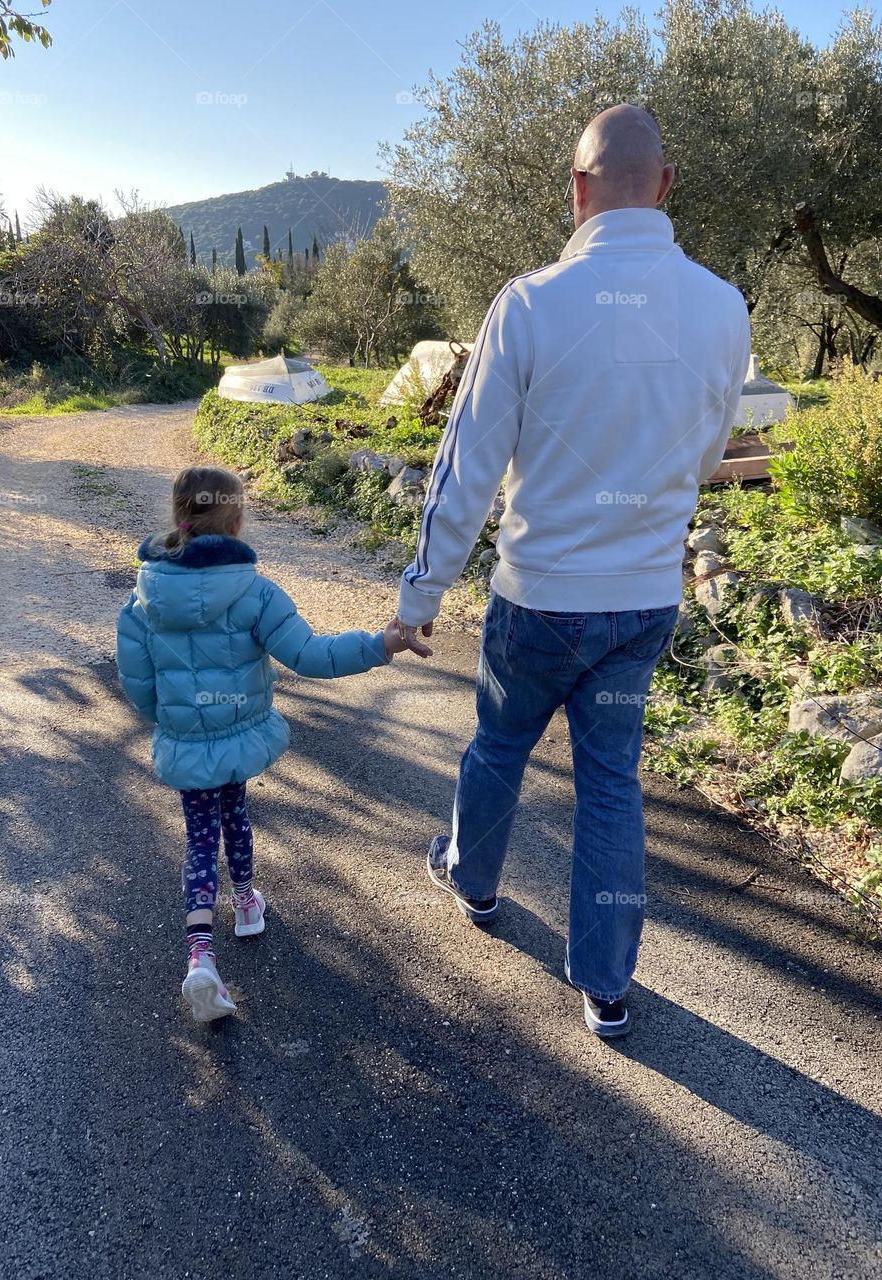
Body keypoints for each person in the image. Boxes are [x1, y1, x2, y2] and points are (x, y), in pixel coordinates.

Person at [392, 104, 751, 1038]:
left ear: (576, 190)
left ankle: (472, 883)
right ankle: (606, 985)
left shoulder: (529, 303)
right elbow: (709, 456)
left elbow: (466, 464)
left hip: (538, 602)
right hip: (643, 606)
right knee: (611, 784)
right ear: (665, 185)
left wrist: (420, 595)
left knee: (500, 745)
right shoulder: (724, 307)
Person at [117, 465, 420, 1022]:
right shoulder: (256, 594)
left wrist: (174, 722)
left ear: (179, 517)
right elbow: (312, 656)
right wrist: (383, 643)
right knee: (236, 812)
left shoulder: (143, 600)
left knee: (199, 837)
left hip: (188, 741)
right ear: (236, 521)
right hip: (239, 735)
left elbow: (137, 684)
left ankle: (200, 955)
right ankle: (248, 901)